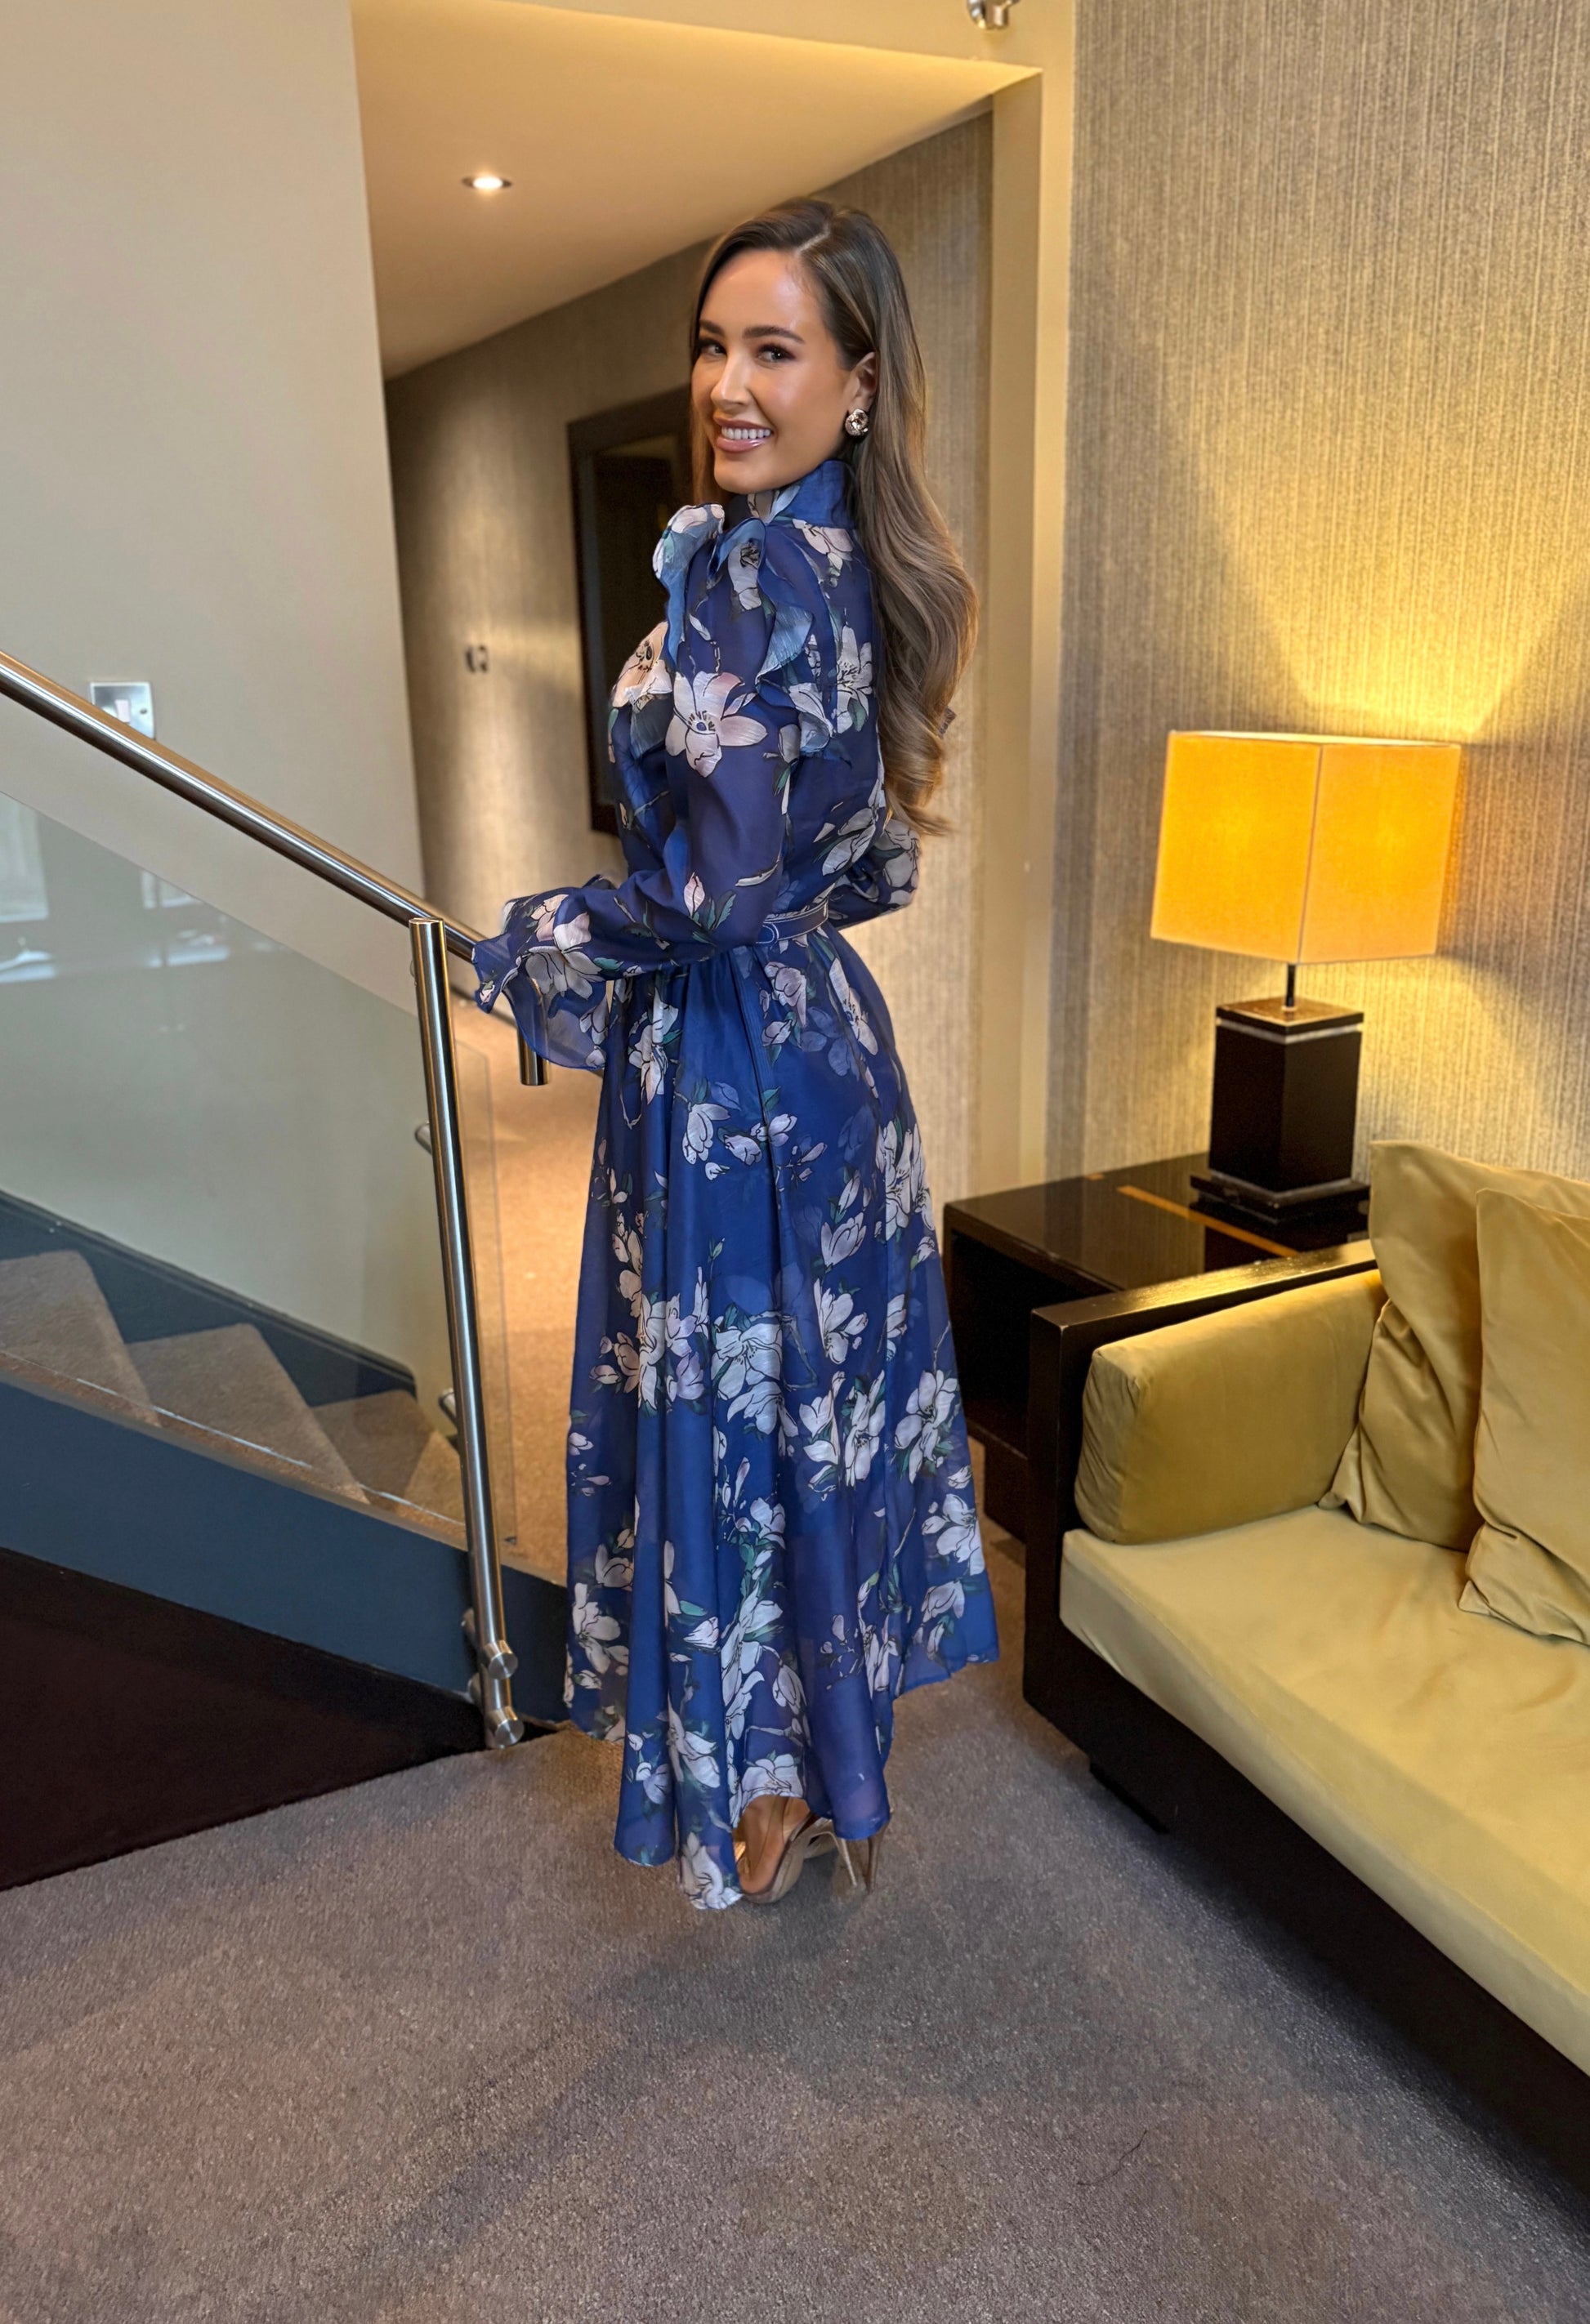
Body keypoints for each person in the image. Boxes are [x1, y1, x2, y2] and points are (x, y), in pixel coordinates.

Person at [474, 197, 998, 1910]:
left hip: (725, 1070)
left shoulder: (751, 575)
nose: (726, 384)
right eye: (712, 345)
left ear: (859, 380)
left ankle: (768, 1796)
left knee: (731, 1426)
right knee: (814, 1420)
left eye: (773, 349)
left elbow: (712, 892)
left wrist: (537, 936)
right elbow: (869, 862)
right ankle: (835, 1772)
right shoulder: (851, 560)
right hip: (828, 1051)